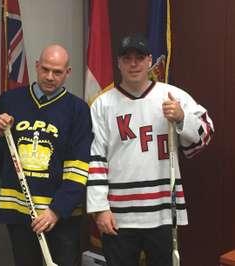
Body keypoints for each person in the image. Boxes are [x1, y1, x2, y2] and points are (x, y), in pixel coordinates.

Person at [86, 33, 214, 266]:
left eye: (139, 57)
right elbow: (96, 160)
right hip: (118, 215)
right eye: (127, 58)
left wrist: (182, 118)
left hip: (163, 212)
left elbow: (204, 136)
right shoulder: (102, 104)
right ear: (118, 62)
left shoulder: (172, 97)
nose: (133, 64)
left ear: (149, 61)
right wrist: (99, 209)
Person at [0, 44, 93, 266]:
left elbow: (78, 167)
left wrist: (56, 211)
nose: (50, 77)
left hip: (61, 217)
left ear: (68, 72)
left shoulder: (78, 110)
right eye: (45, 69)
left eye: (57, 72)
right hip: (20, 211)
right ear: (36, 66)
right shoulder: (9, 101)